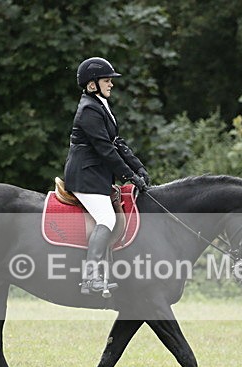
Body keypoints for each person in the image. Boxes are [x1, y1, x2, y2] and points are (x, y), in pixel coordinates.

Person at [63, 57, 149, 295]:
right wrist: (128, 175)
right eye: (107, 80)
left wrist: (138, 168)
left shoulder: (100, 105)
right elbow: (105, 149)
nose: (111, 84)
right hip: (84, 177)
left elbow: (116, 142)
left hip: (95, 176)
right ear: (92, 84)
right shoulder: (89, 110)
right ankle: (90, 277)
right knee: (106, 218)